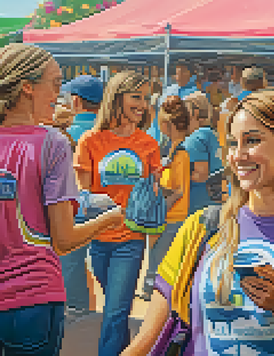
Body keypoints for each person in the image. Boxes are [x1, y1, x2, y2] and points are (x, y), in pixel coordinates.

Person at [123, 91, 274, 356]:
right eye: (233, 144)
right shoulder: (201, 227)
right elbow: (147, 341)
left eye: (252, 141)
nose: (238, 155)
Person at [0, 43, 123, 356]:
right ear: (27, 87)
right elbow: (64, 239)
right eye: (55, 83)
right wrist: (109, 219)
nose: (60, 95)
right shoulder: (52, 144)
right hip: (32, 299)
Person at [73, 71, 161, 356]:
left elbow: (154, 194)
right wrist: (105, 208)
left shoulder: (148, 144)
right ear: (116, 97)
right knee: (117, 310)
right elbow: (81, 195)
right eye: (136, 97)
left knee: (114, 312)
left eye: (145, 99)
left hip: (131, 240)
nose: (143, 104)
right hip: (97, 238)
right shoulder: (90, 141)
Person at [59, 74, 105, 320]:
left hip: (74, 207)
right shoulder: (109, 132)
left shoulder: (63, 134)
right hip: (110, 209)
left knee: (72, 262)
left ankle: (78, 310)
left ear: (76, 101)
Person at [140, 96, 193, 301]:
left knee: (160, 264)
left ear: (166, 124)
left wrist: (159, 208)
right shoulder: (172, 149)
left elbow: (178, 190)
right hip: (169, 216)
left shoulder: (181, 153)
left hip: (171, 217)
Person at [182, 92, 224, 215]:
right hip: (214, 204)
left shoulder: (195, 139)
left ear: (194, 112)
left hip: (199, 208)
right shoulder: (211, 134)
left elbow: (201, 175)